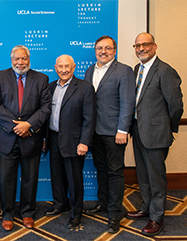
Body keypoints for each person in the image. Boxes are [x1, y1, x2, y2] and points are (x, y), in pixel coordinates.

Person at [125, 33, 183, 237]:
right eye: (137, 45)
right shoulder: (136, 69)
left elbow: (176, 105)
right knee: (143, 174)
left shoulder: (165, 71)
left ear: (155, 46)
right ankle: (146, 207)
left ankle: (157, 218)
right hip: (138, 132)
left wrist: (168, 128)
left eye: (145, 44)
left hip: (156, 134)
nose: (141, 48)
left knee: (156, 178)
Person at [0, 45, 51, 231]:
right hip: (7, 138)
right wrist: (15, 126)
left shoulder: (41, 78)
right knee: (5, 179)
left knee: (30, 178)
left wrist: (29, 125)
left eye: (23, 59)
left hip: (31, 137)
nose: (20, 62)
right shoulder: (0, 77)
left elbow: (46, 107)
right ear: (11, 59)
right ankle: (7, 213)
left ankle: (27, 212)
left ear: (29, 59)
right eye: (17, 59)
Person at [83, 36, 135, 233]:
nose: (103, 51)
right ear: (95, 50)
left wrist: (123, 130)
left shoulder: (124, 71)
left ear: (115, 50)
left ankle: (115, 213)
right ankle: (103, 203)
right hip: (94, 131)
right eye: (99, 48)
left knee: (114, 172)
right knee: (101, 169)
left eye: (107, 48)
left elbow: (128, 102)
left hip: (114, 132)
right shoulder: (90, 70)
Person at [44, 55, 96, 229]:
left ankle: (76, 213)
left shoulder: (85, 88)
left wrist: (84, 142)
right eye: (60, 66)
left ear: (74, 67)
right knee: (56, 175)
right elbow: (45, 115)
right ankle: (60, 204)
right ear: (55, 68)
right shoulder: (50, 87)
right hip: (53, 138)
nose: (64, 70)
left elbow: (89, 118)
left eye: (67, 66)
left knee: (74, 179)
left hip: (74, 142)